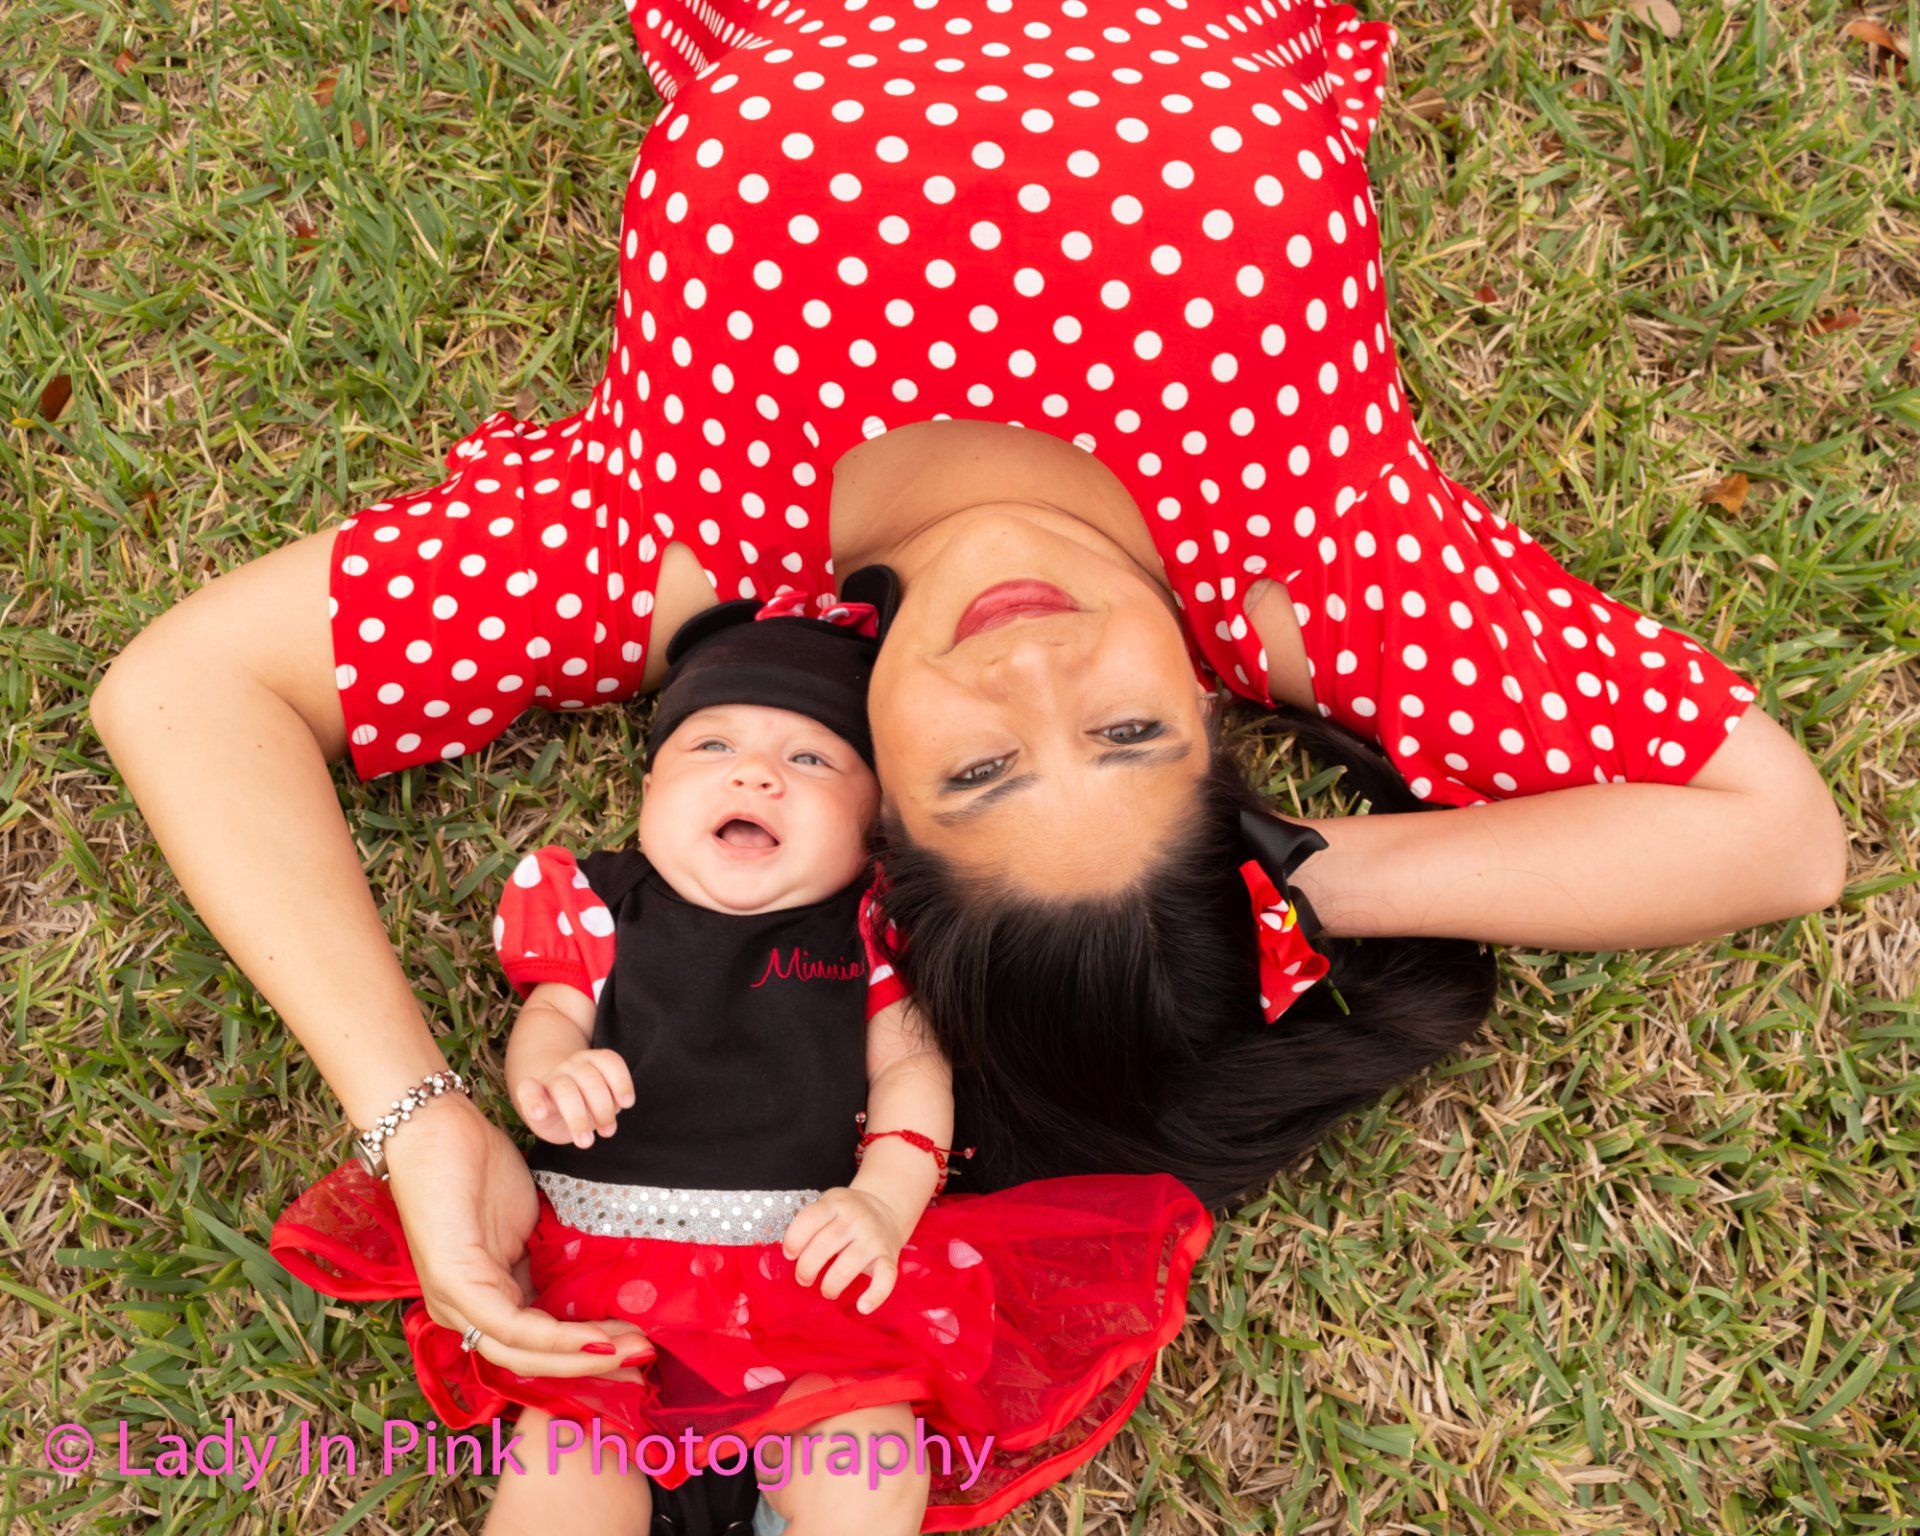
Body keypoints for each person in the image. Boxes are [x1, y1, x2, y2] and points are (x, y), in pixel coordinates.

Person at [89, 0, 1849, 1511]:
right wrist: (1301, 873)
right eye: (1135, 733)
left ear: (879, 816)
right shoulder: (1311, 557)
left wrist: (412, 1116)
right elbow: (1776, 832)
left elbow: (182, 696)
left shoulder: (690, 544)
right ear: (1217, 727)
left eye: (984, 775)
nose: (1033, 668)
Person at [267, 588, 1213, 1533]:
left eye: (810, 760)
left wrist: (885, 1199)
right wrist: (547, 1072)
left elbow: (911, 1075)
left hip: (807, 1276)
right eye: (710, 748)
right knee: (563, 1468)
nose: (756, 776)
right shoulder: (601, 903)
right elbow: (554, 1010)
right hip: (603, 1270)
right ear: (647, 793)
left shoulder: (874, 930)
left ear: (874, 824)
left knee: (869, 1461)